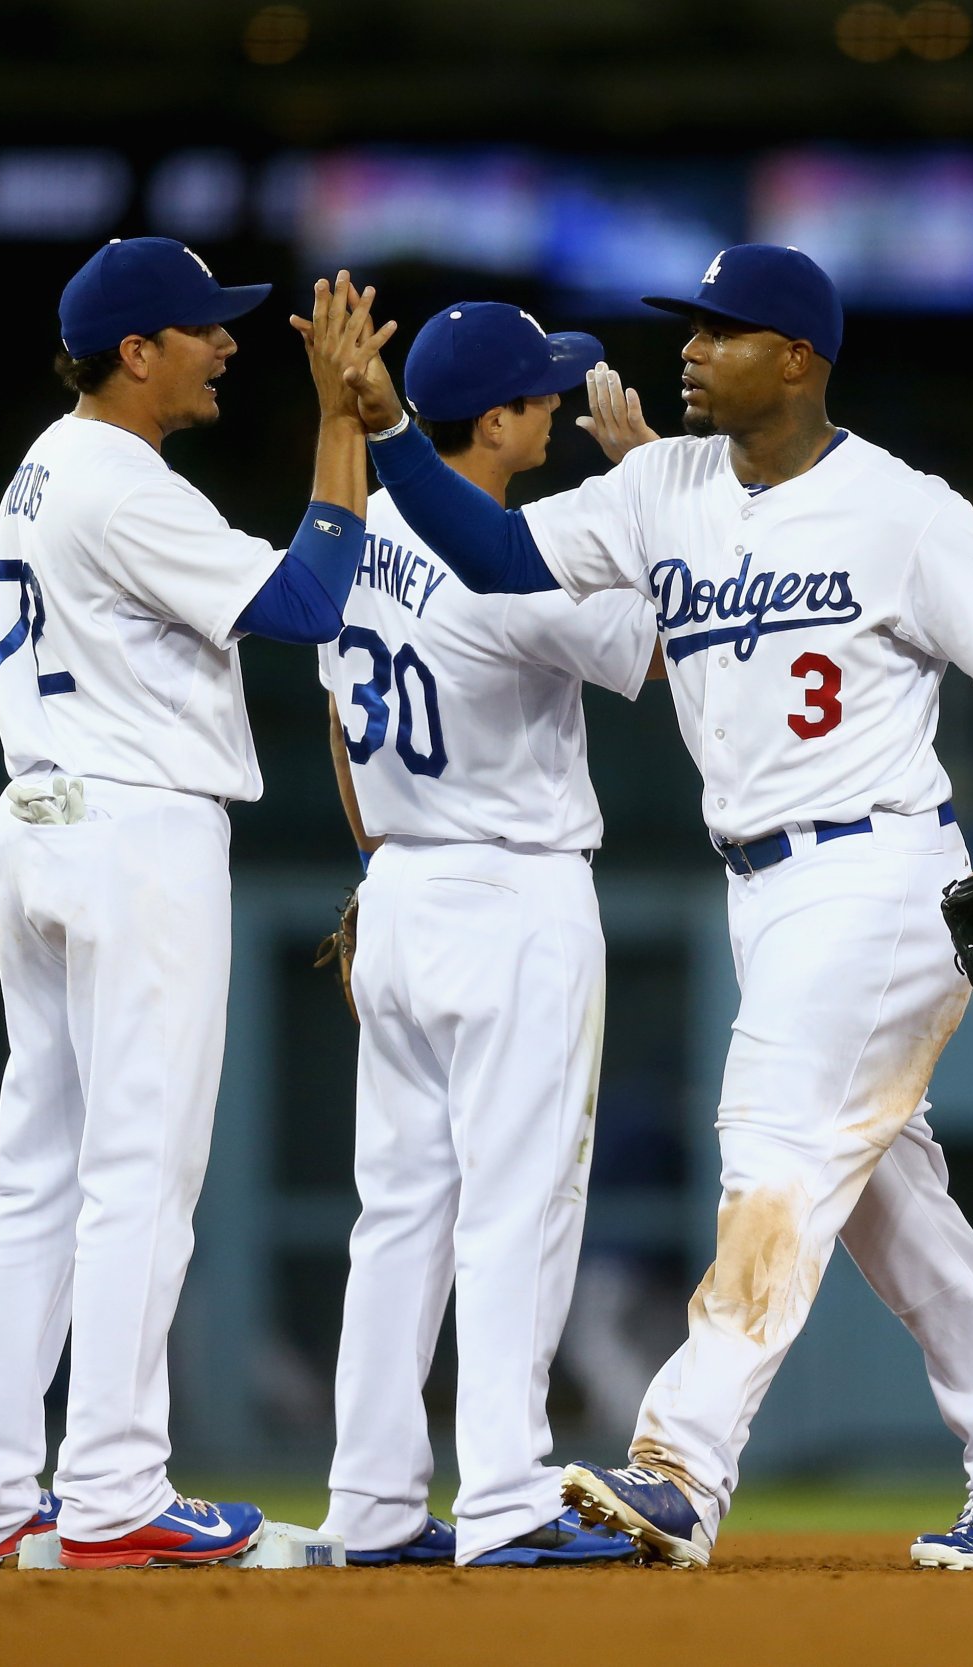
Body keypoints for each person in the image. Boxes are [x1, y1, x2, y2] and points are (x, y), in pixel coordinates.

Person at [342, 244, 973, 1572]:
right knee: (884, 1197)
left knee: (768, 1144)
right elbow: (493, 547)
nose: (687, 348)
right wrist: (395, 433)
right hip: (763, 888)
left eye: (720, 331)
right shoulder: (663, 485)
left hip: (880, 875)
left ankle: (681, 1460)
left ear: (797, 357)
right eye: (687, 329)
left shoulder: (904, 508)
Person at [0, 240, 388, 1570]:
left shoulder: (45, 463)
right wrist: (341, 415)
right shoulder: (120, 483)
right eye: (205, 327)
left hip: (44, 826)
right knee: (141, 1166)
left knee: (39, 1176)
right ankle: (118, 1487)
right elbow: (308, 601)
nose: (228, 342)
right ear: (136, 351)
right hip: (132, 830)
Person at [315, 301, 658, 1569]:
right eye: (542, 395)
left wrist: (377, 872)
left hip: (398, 882)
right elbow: (675, 648)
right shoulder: (511, 560)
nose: (560, 408)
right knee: (519, 1204)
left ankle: (374, 1502)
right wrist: (645, 485)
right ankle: (507, 1495)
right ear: (497, 419)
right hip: (510, 895)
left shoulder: (356, 540)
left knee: (398, 1210)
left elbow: (334, 733)